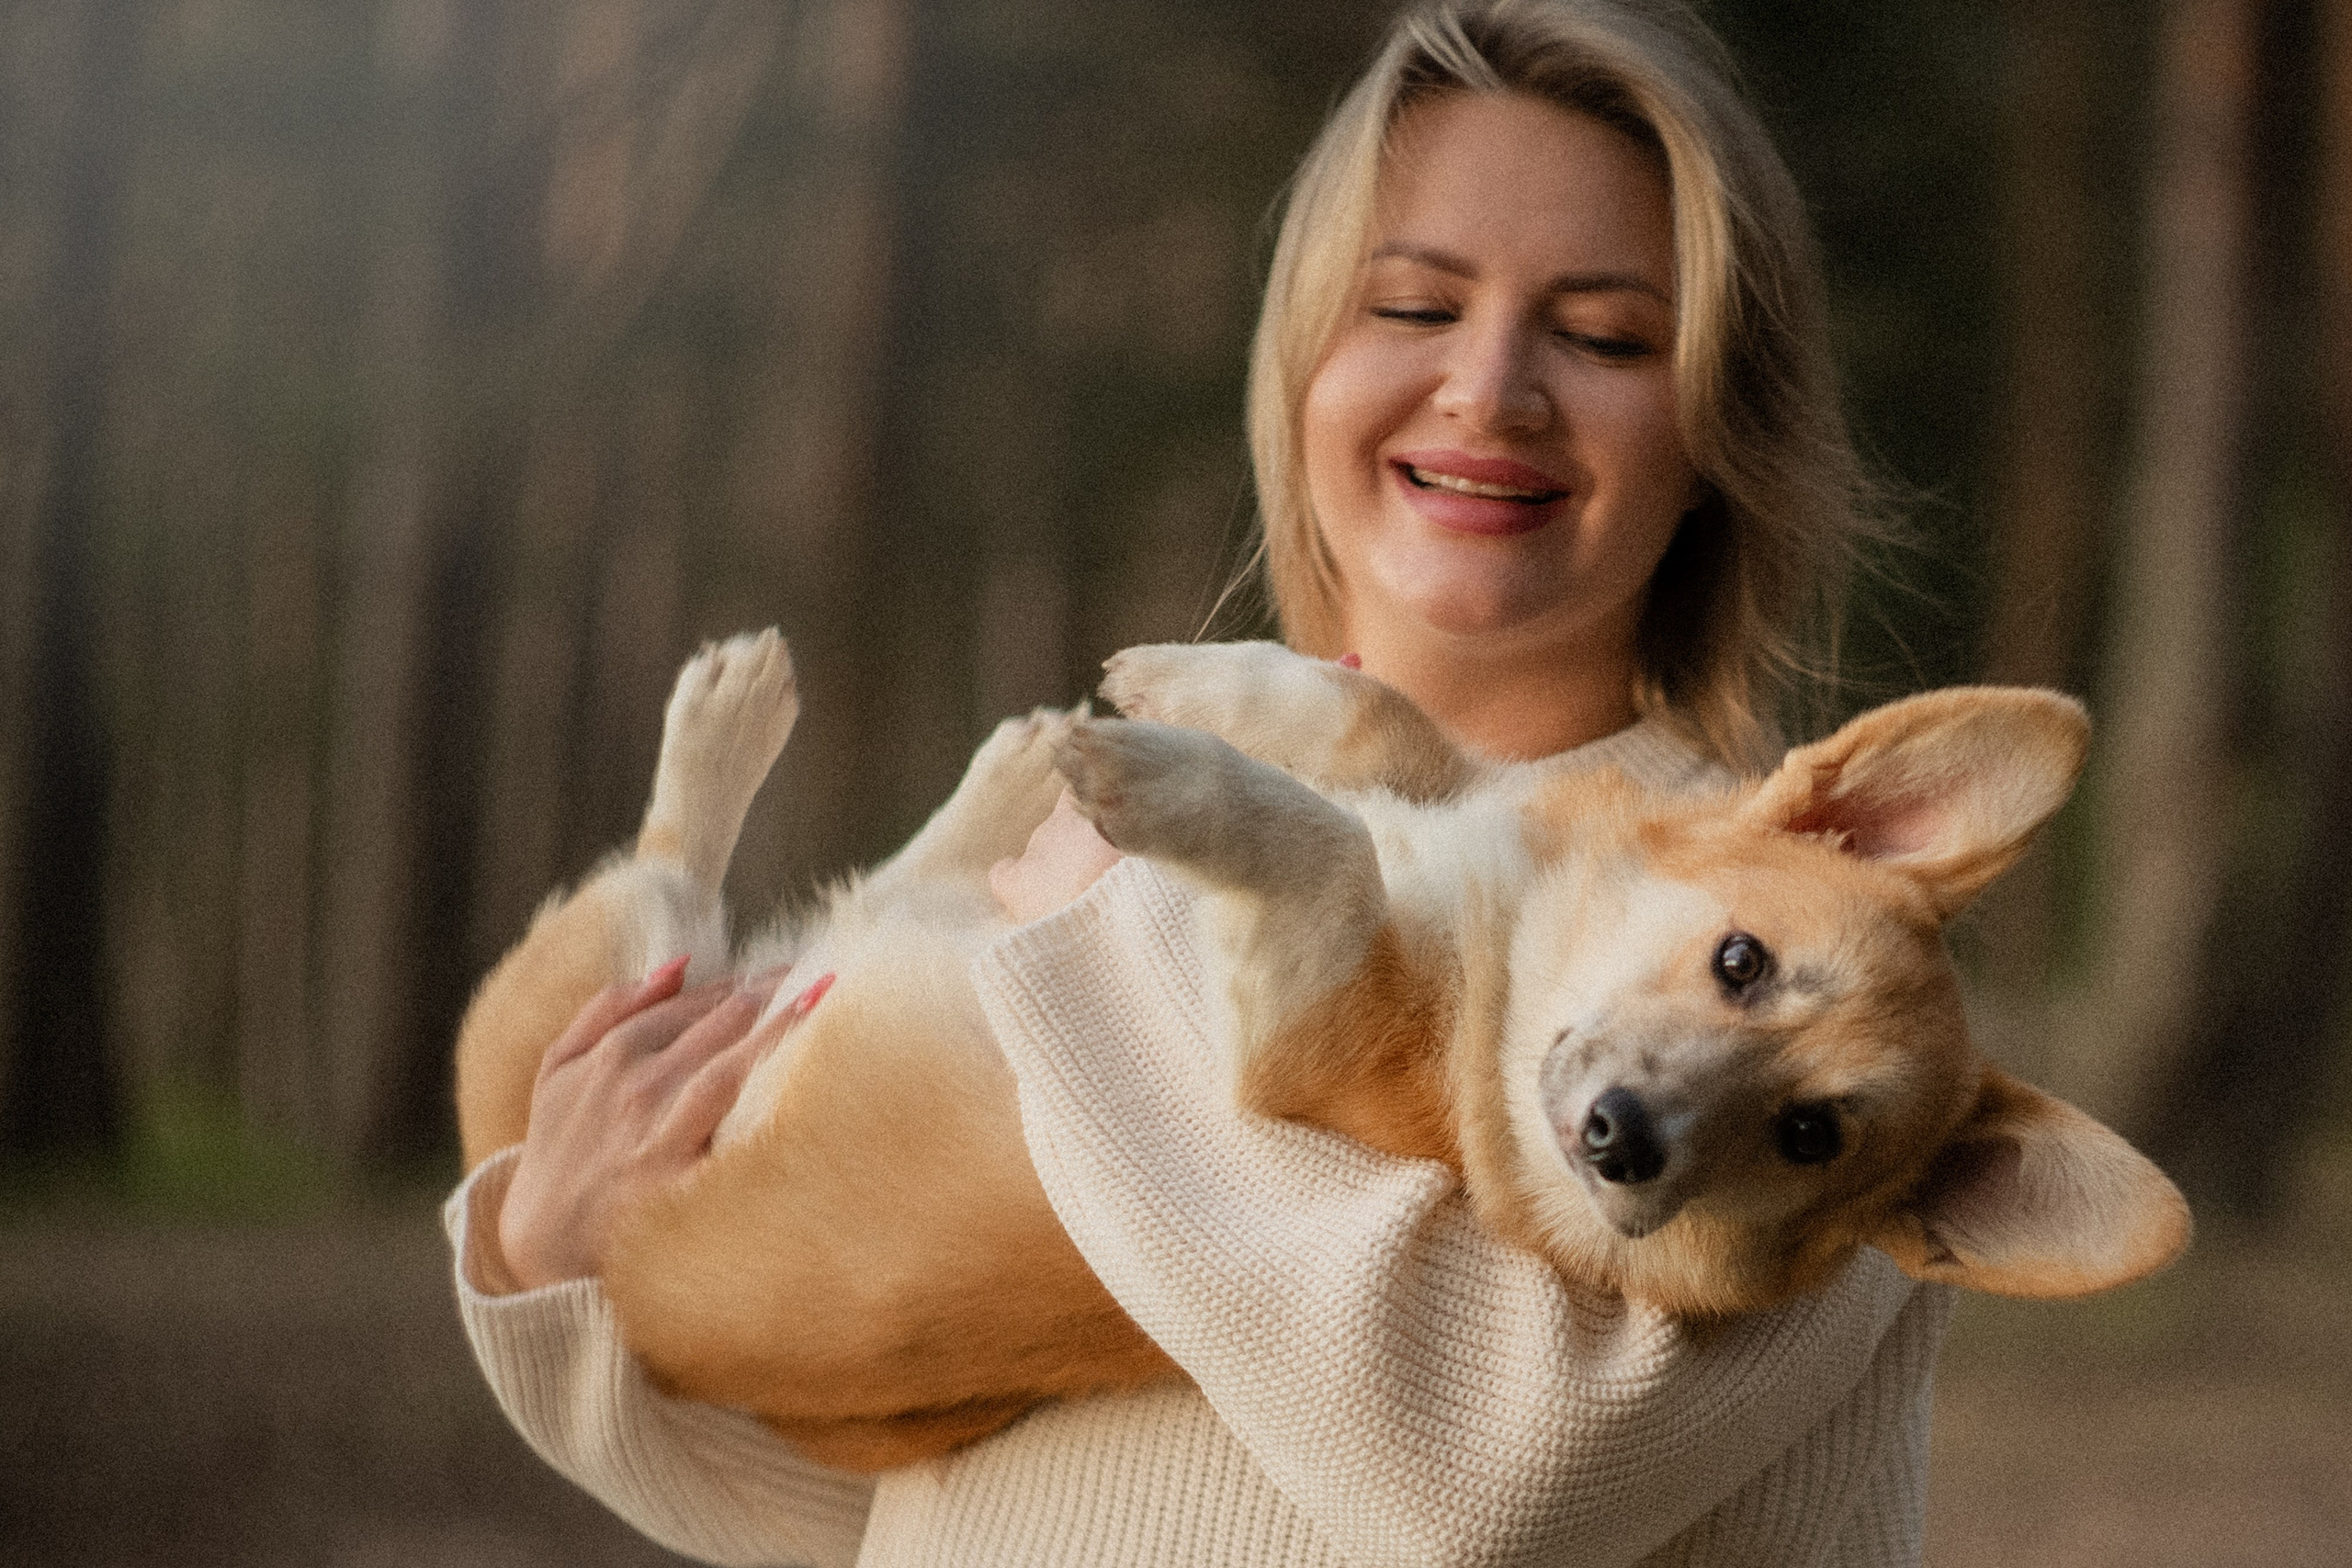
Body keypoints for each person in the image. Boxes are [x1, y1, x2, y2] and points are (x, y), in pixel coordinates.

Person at [445, 2, 1943, 1563]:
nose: (1491, 389)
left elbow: (1485, 1481)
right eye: (1416, 305)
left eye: (1607, 335)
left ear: (1719, 423)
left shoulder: (1801, 1019)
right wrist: (562, 1260)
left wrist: (1108, 953)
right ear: (1304, 366)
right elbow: (882, 1489)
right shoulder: (1117, 839)